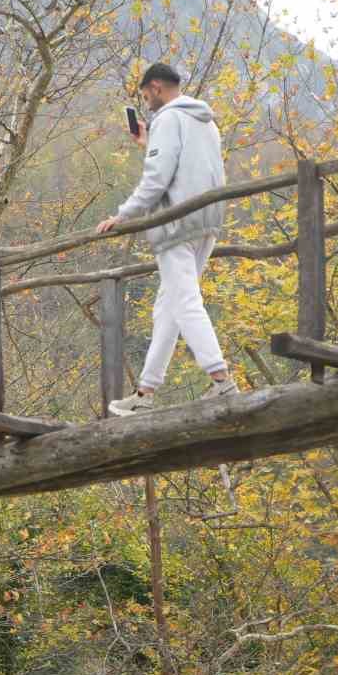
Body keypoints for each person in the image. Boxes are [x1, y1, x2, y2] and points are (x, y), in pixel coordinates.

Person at [96, 62, 238, 415]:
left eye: (146, 95)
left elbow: (157, 178)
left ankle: (222, 381)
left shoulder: (168, 119)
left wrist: (123, 214)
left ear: (156, 87)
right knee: (169, 306)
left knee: (186, 302)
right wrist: (149, 144)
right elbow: (186, 168)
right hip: (206, 221)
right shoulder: (205, 122)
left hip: (176, 223)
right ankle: (146, 392)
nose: (146, 103)